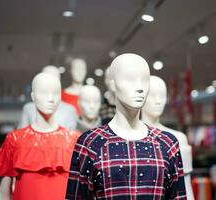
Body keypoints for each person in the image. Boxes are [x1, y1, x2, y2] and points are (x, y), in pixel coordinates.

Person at [66, 53, 187, 199]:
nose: (140, 88)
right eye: (130, 79)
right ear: (112, 85)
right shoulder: (90, 143)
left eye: (145, 80)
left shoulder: (168, 144)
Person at [0, 73, 80, 200]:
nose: (51, 98)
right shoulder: (15, 139)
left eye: (56, 93)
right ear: (33, 96)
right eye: (44, 92)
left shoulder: (74, 140)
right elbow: (3, 194)